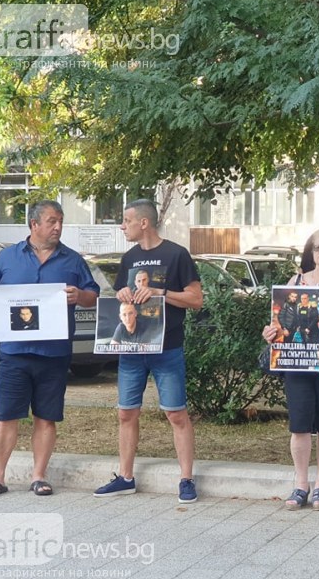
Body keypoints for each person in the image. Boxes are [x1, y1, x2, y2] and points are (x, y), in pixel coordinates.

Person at [0, 200, 99, 498]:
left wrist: (80, 295)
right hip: (14, 353)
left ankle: (38, 477)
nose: (58, 227)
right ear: (34, 225)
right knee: (5, 416)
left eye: (60, 221)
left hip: (54, 355)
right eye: (52, 221)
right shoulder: (7, 258)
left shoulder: (72, 260)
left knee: (46, 416)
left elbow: (93, 295)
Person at [94, 199, 203, 503]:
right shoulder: (128, 258)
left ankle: (186, 479)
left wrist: (160, 293)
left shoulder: (176, 254)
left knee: (176, 414)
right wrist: (122, 293)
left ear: (144, 223)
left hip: (167, 348)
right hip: (131, 348)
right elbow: (121, 296)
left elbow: (195, 300)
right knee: (126, 413)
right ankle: (126, 478)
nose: (122, 226)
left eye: (126, 220)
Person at [262, 227, 319, 511]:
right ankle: (301, 484)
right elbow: (278, 324)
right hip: (298, 361)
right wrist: (270, 333)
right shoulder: (296, 281)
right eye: (318, 248)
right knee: (299, 425)